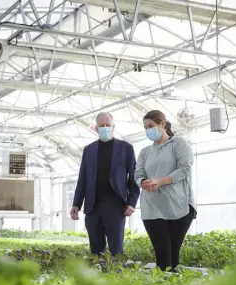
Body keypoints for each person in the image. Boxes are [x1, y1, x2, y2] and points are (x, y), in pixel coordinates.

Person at [70, 112, 140, 257]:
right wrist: (76, 203)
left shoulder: (126, 148)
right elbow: (82, 178)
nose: (105, 128)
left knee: (116, 250)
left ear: (113, 127)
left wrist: (131, 202)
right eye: (102, 126)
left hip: (115, 204)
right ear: (96, 128)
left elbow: (133, 177)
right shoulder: (89, 150)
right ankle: (96, 277)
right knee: (95, 250)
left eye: (108, 125)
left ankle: (117, 277)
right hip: (92, 206)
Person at [134, 110, 196, 272]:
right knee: (163, 255)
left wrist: (160, 181)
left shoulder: (179, 144)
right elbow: (138, 173)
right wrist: (143, 182)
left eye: (151, 126)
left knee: (173, 256)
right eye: (145, 127)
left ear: (162, 124)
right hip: (152, 208)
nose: (148, 130)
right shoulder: (145, 152)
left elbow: (184, 169)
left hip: (178, 206)